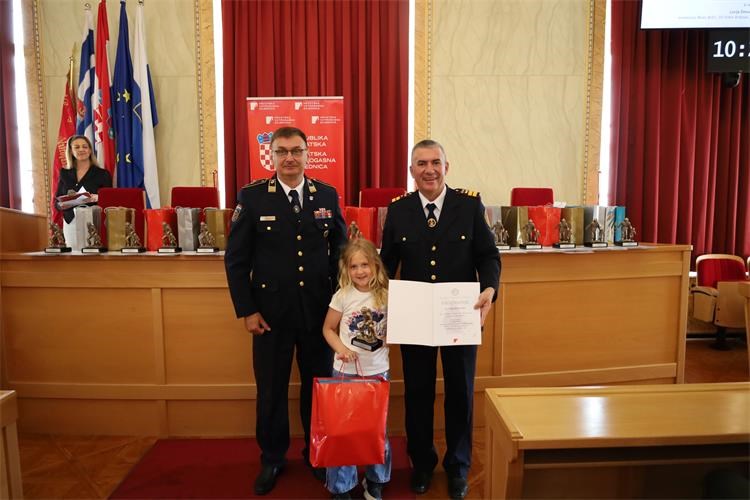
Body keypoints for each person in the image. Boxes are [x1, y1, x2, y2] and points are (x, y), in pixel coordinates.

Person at [224, 126, 347, 495]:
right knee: (271, 390)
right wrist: (247, 310)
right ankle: (272, 458)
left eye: (296, 151)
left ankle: (316, 453)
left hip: (318, 314)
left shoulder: (326, 195)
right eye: (282, 151)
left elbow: (340, 253)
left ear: (308, 154)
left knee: (318, 388)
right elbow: (236, 260)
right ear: (272, 156)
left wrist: (341, 305)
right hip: (270, 315)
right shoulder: (253, 197)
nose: (289, 158)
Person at [380, 139, 500, 500]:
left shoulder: (469, 205)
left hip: (459, 315)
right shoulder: (398, 209)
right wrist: (376, 302)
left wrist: (490, 289)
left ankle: (458, 465)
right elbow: (388, 262)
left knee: (460, 392)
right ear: (411, 170)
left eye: (435, 162)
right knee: (418, 392)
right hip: (415, 317)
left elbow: (488, 256)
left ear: (446, 167)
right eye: (421, 163)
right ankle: (422, 463)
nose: (429, 170)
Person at [322, 238, 391, 500]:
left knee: (376, 430)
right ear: (346, 269)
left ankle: (375, 480)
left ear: (376, 265)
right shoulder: (342, 295)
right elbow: (328, 329)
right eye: (354, 266)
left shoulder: (387, 295)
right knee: (343, 431)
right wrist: (341, 348)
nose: (360, 271)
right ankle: (341, 486)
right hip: (345, 372)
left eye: (365, 265)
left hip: (378, 372)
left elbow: (398, 329)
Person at [54, 135, 113, 249]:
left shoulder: (102, 174)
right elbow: (56, 203)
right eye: (77, 147)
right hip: (70, 222)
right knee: (73, 257)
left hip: (93, 222)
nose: (81, 149)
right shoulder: (64, 174)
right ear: (71, 151)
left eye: (85, 147)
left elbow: (109, 202)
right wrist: (67, 202)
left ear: (90, 150)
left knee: (93, 256)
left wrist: (96, 197)